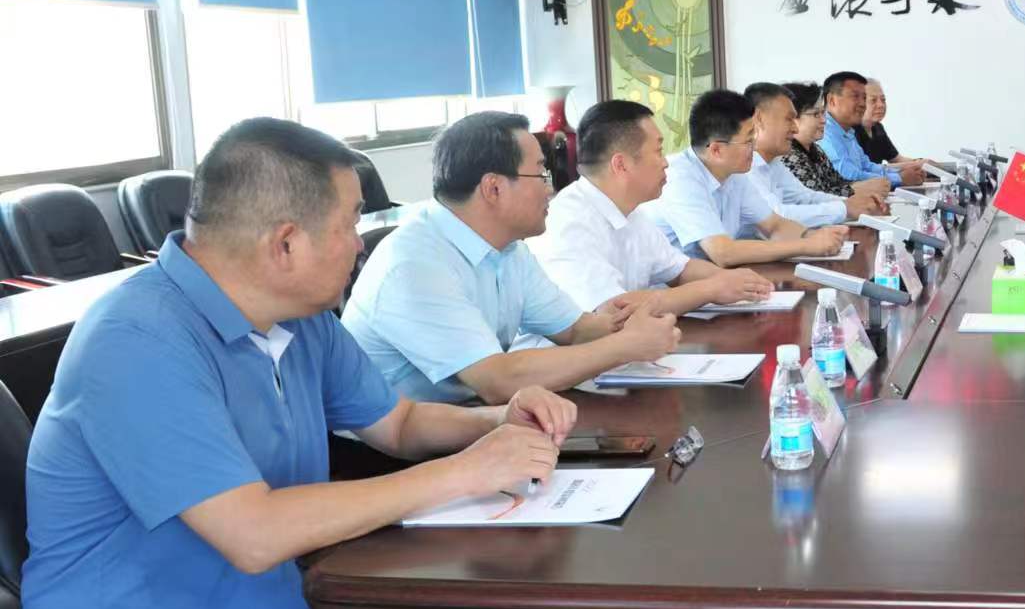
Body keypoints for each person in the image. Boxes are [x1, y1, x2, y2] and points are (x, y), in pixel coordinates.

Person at [18, 118, 580, 609]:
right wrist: (462, 473)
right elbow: (252, 534)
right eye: (350, 222)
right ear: (285, 242)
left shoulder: (299, 318)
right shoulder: (137, 341)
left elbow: (398, 422)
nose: (362, 240)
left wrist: (499, 422)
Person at [343, 111, 679, 403]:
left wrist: (629, 322)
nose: (550, 189)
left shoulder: (509, 248)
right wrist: (625, 345)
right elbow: (499, 381)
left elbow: (575, 330)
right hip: (392, 447)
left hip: (474, 420)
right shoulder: (414, 266)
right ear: (493, 188)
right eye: (541, 174)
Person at [527, 99, 778, 317]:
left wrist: (731, 280)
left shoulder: (632, 212)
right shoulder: (569, 221)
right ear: (621, 165)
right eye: (658, 151)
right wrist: (711, 289)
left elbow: (679, 269)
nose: (665, 163)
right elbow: (614, 310)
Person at [647, 88, 851, 267]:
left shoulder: (734, 173)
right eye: (748, 141)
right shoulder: (680, 178)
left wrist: (814, 236)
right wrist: (805, 245)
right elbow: (722, 252)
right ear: (717, 150)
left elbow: (774, 225)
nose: (754, 148)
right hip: (673, 292)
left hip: (718, 282)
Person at [742, 82, 886, 224]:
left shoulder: (774, 162)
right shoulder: (745, 167)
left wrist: (851, 204)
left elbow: (804, 197)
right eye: (789, 119)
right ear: (759, 119)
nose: (795, 128)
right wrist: (845, 208)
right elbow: (776, 216)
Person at [782, 82, 888, 200]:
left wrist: (868, 185)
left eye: (823, 113)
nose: (824, 120)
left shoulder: (816, 150)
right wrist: (860, 189)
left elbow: (838, 182)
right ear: (793, 118)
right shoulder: (789, 155)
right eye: (816, 114)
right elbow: (815, 197)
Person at [821, 70, 925, 187]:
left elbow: (868, 166)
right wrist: (899, 178)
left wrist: (907, 173)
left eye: (864, 98)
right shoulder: (824, 132)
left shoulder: (847, 131)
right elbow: (849, 176)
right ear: (832, 100)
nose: (862, 104)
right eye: (855, 96)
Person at [854, 77, 925, 176]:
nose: (881, 105)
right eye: (873, 100)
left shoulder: (878, 128)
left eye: (883, 100)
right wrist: (915, 165)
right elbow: (865, 168)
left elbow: (896, 159)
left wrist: (922, 163)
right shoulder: (849, 131)